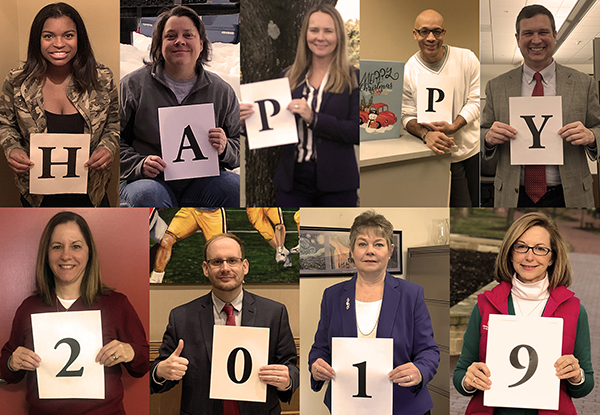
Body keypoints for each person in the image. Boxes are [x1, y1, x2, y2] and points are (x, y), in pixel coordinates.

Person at [0, 211, 149, 414]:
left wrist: (130, 352)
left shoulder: (116, 304)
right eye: (57, 247)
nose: (66, 255)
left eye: (76, 246)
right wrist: (12, 362)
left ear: (89, 252)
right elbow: (8, 371)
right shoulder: (29, 308)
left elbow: (141, 366)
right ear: (47, 254)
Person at [453, 212, 593, 414]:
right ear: (511, 253)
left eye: (540, 249)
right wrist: (469, 380)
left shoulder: (574, 309)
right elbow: (460, 376)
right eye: (521, 247)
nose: (529, 256)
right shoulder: (485, 305)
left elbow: (585, 385)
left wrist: (576, 375)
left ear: (552, 257)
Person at [151, 233, 299, 414]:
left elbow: (290, 366)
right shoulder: (181, 317)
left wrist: (287, 380)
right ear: (206, 268)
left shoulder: (274, 313)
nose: (225, 268)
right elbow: (158, 375)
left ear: (245, 266)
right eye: (217, 262)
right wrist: (160, 371)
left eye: (232, 261)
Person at [309, 210, 440, 415]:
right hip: (348, 405)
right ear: (351, 250)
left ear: (390, 250)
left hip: (403, 405)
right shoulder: (332, 296)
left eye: (378, 244)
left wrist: (420, 371)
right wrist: (316, 366)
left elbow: (429, 351)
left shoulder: (411, 294)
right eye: (362, 244)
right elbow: (320, 349)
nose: (370, 251)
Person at [120, 5, 240, 207]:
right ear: (159, 45)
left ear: (201, 44)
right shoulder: (133, 86)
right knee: (147, 195)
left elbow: (242, 144)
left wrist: (225, 147)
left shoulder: (222, 91)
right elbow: (111, 141)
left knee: (234, 188)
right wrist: (139, 164)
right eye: (171, 36)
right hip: (149, 181)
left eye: (188, 35)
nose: (180, 41)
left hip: (203, 184)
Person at [0, 2, 118, 207]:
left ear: (79, 39)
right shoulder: (17, 81)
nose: (59, 43)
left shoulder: (101, 78)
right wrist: (11, 148)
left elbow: (114, 123)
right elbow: (5, 124)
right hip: (36, 196)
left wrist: (108, 147)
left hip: (92, 194)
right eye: (48, 36)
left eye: (68, 35)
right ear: (38, 40)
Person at [481, 4, 600, 208]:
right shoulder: (496, 86)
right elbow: (483, 130)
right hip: (513, 195)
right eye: (528, 33)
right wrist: (488, 138)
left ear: (554, 35)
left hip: (570, 195)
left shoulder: (584, 83)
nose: (536, 40)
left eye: (543, 32)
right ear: (518, 39)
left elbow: (598, 127)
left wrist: (592, 137)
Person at [241, 4, 359, 207]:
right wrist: (246, 122)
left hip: (337, 183)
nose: (320, 37)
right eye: (314, 30)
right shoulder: (289, 77)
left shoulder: (354, 79)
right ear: (305, 34)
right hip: (293, 182)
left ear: (338, 36)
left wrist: (314, 118)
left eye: (328, 31)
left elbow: (359, 132)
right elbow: (272, 129)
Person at [401, 9, 480, 207]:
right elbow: (405, 115)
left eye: (436, 32)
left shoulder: (467, 58)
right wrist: (425, 134)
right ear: (415, 34)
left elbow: (476, 100)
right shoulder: (409, 69)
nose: (431, 38)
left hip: (472, 150)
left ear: (444, 33)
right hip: (438, 156)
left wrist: (455, 125)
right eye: (424, 31)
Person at [150, 207, 226, 283]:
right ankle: (156, 280)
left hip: (212, 213)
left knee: (219, 250)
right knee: (166, 240)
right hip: (190, 210)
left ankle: (223, 282)